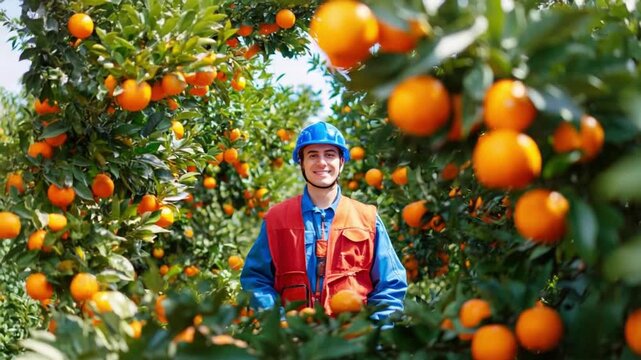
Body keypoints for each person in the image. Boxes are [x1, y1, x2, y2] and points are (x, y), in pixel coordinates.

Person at [240, 121, 407, 321]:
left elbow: (391, 285)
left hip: (352, 340)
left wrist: (372, 332)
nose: (322, 162)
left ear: (341, 162)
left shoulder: (367, 219)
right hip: (293, 340)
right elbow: (256, 280)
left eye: (329, 154)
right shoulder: (276, 219)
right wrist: (279, 322)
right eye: (312, 155)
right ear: (301, 163)